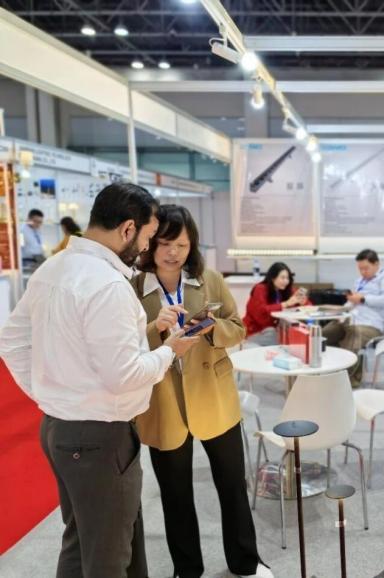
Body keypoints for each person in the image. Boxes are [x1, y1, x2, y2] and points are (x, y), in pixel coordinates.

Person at [0, 183, 197, 578]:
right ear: (127, 229)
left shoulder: (54, 268)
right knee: (107, 555)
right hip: (99, 438)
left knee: (83, 541)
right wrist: (170, 351)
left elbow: (12, 341)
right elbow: (126, 376)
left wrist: (51, 395)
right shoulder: (108, 285)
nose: (146, 248)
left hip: (61, 428)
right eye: (146, 237)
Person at [132, 204, 272, 578]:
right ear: (150, 243)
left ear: (191, 244)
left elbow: (238, 328)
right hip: (163, 400)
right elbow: (124, 345)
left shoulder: (208, 279)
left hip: (213, 394)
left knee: (232, 485)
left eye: (181, 244)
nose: (173, 252)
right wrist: (155, 329)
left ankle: (246, 562)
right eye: (164, 243)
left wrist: (212, 328)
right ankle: (187, 569)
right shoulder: (133, 287)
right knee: (175, 494)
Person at [322, 249, 384, 387]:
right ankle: (328, 372)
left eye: (366, 268)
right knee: (324, 334)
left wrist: (363, 299)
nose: (363, 272)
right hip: (351, 320)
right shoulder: (359, 281)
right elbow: (352, 302)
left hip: (371, 325)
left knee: (353, 333)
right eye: (360, 269)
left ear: (376, 264)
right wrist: (341, 312)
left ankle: (348, 380)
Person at [243, 261, 309, 344]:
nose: (286, 281)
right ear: (273, 278)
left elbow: (308, 304)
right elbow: (261, 311)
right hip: (255, 331)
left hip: (275, 329)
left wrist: (303, 302)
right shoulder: (260, 289)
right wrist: (285, 304)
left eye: (287, 278)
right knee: (275, 334)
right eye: (282, 278)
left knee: (297, 330)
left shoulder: (286, 289)